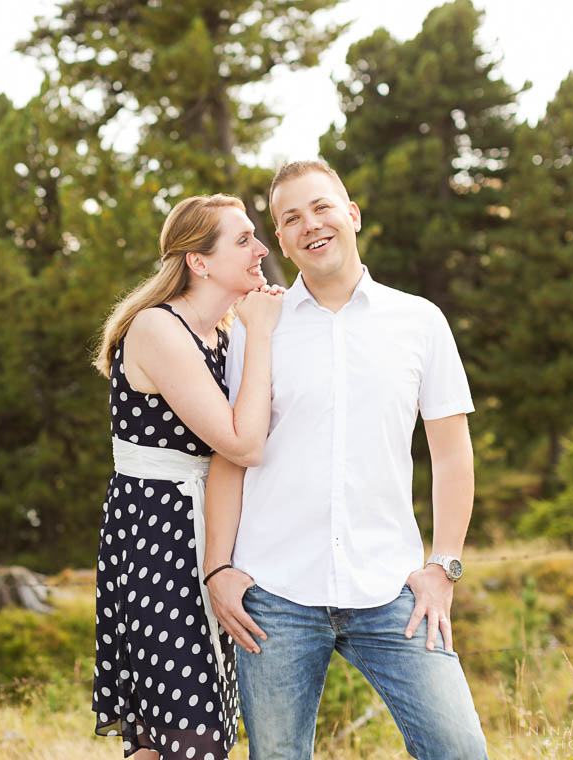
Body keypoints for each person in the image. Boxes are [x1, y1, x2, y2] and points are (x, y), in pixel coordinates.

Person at [203, 160, 488, 760]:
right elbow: (229, 456)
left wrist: (445, 565)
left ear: (351, 214)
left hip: (392, 589)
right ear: (279, 239)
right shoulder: (257, 328)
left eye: (321, 207)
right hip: (274, 596)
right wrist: (218, 569)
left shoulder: (419, 321)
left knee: (459, 750)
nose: (311, 225)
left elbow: (452, 450)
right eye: (291, 218)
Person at [91, 193, 285, 759]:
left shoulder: (223, 332)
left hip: (208, 524)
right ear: (199, 262)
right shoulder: (157, 328)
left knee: (175, 734)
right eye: (243, 239)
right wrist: (265, 336)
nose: (261, 248)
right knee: (186, 729)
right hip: (158, 531)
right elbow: (243, 442)